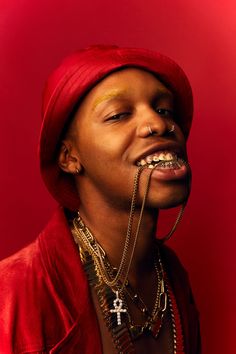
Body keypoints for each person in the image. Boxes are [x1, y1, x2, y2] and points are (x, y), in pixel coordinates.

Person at [0, 45, 201, 354]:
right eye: (119, 114)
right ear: (69, 158)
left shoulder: (172, 276)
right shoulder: (12, 294)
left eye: (164, 110)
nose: (159, 125)